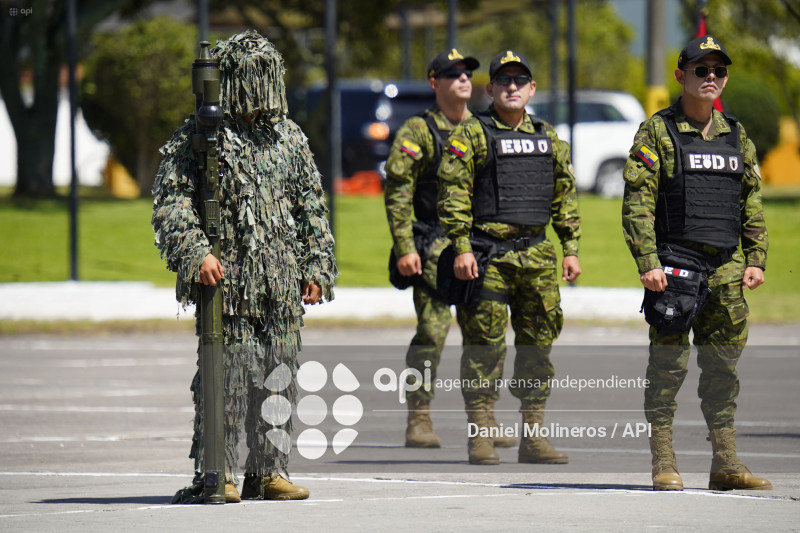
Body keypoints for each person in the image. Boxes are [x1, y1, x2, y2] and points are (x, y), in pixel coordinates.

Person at [152, 31, 337, 503]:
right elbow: (172, 202)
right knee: (227, 378)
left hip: (280, 283)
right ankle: (217, 473)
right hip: (227, 286)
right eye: (249, 78)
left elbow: (311, 207)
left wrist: (316, 265)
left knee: (278, 375)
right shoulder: (200, 136)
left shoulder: (289, 137)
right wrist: (196, 252)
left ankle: (268, 471)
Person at [621, 35, 771, 491]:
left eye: (718, 71)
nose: (710, 78)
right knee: (668, 368)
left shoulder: (735, 133)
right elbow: (637, 203)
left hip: (726, 268)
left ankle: (725, 464)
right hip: (675, 268)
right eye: (701, 69)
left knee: (723, 368)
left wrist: (756, 258)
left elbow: (751, 200)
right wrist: (648, 261)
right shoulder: (657, 132)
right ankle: (663, 463)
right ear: (680, 74)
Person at [437, 50, 581, 465]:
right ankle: (481, 437)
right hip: (488, 257)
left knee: (538, 349)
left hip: (538, 256)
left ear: (532, 88)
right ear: (491, 89)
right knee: (484, 348)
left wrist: (570, 248)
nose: (512, 87)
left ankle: (533, 438)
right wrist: (461, 247)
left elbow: (564, 196)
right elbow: (453, 195)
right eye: (504, 81)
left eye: (520, 81)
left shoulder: (549, 137)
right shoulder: (472, 133)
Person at [384, 49, 516, 450]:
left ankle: (485, 418)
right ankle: (419, 418)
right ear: (434, 82)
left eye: (468, 73)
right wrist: (405, 246)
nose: (463, 78)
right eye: (453, 73)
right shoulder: (418, 131)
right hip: (429, 250)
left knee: (486, 336)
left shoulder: (482, 129)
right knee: (431, 333)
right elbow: (398, 191)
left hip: (475, 250)